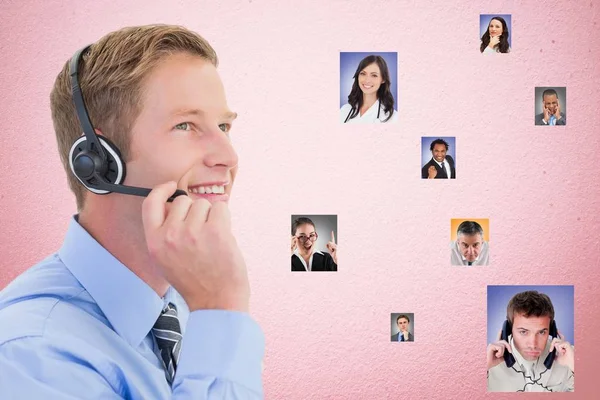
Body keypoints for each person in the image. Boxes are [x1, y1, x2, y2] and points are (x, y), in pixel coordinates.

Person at [0, 25, 264, 399]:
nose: (228, 156)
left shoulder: (184, 305)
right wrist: (219, 310)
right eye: (185, 125)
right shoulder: (34, 355)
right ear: (98, 162)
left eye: (223, 125)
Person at [487, 291, 574, 392]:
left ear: (552, 330)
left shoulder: (569, 356)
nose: (533, 344)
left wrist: (574, 366)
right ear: (509, 330)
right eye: (523, 332)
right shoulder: (486, 362)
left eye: (541, 332)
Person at [340, 55, 398, 123]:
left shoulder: (393, 117)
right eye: (363, 73)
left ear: (383, 79)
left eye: (374, 75)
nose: (367, 80)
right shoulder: (345, 110)